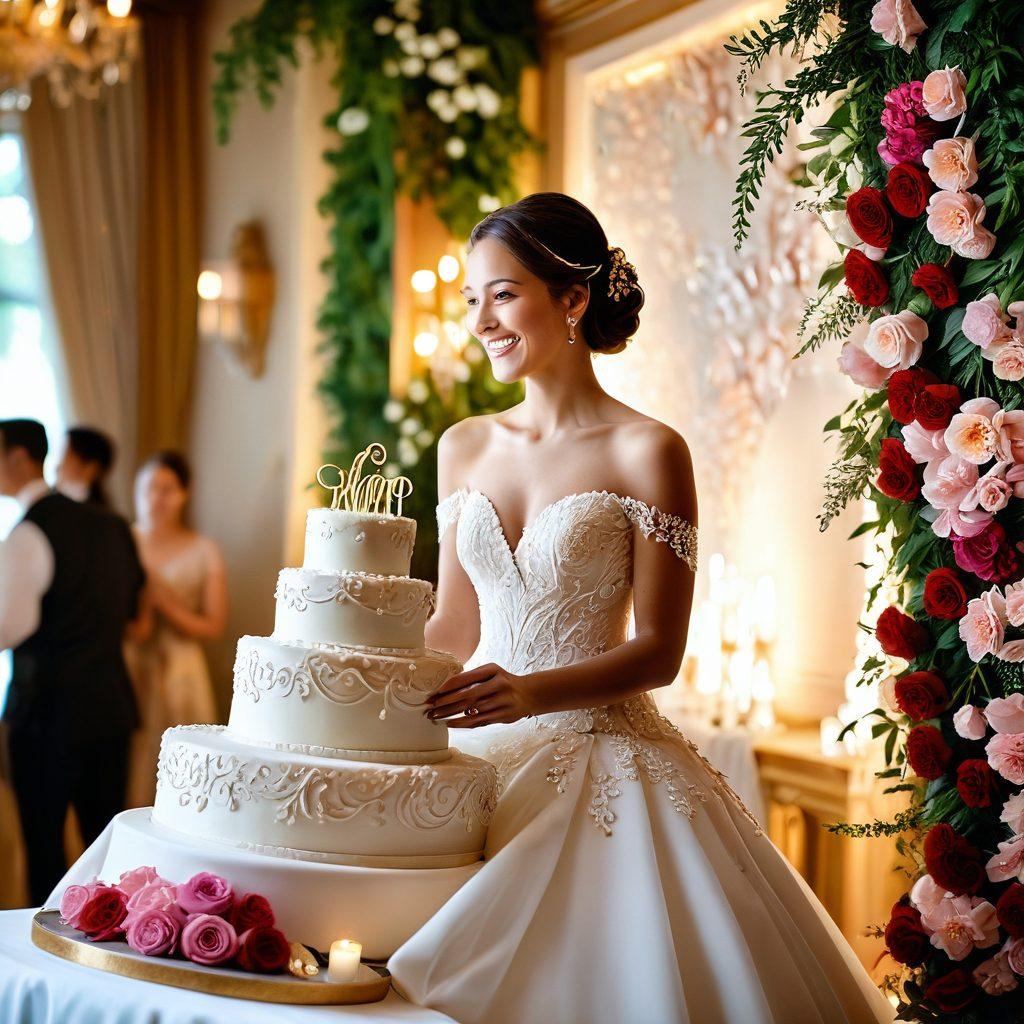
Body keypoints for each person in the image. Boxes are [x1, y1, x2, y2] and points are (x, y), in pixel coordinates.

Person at [387, 194, 894, 1023]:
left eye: (503, 294)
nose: (480, 319)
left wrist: (533, 691)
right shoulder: (464, 445)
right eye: (472, 298)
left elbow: (661, 649)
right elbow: (454, 624)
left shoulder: (649, 450)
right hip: (477, 757)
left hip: (602, 756)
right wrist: (380, 682)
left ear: (573, 299)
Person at [0, 419, 144, 907]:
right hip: (110, 708)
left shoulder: (29, 531)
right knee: (107, 856)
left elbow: (7, 627)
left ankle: (48, 959)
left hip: (45, 714)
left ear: (18, 458)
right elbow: (128, 613)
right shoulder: (114, 526)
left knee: (45, 853)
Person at [126, 451, 227, 806]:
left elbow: (214, 625)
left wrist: (165, 604)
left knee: (182, 771)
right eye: (149, 488)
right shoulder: (123, 542)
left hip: (181, 670)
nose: (157, 498)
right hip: (130, 662)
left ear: (184, 494)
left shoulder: (204, 550)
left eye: (167, 489)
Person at [55, 426, 116, 508]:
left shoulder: (101, 516)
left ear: (91, 467)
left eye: (66, 457)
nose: (58, 466)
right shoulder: (47, 502)